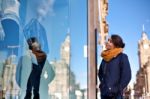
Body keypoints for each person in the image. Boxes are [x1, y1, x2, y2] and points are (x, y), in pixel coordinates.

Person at [98, 34, 131, 99]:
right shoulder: (104, 59)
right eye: (108, 40)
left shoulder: (122, 57)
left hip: (116, 95)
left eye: (110, 41)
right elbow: (100, 73)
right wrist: (102, 85)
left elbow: (127, 76)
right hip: (104, 94)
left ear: (116, 44)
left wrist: (118, 89)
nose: (107, 42)